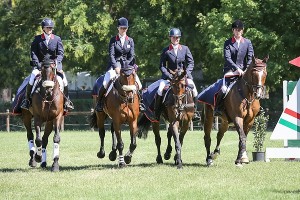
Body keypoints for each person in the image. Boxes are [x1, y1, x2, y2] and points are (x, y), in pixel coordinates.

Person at [21, 18, 74, 111]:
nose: (50, 29)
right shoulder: (37, 39)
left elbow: (61, 53)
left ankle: (67, 101)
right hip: (41, 65)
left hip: (54, 65)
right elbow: (33, 53)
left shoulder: (57, 39)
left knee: (64, 79)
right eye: (48, 27)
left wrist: (56, 62)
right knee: (32, 77)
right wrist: (37, 64)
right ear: (43, 28)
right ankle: (27, 100)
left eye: (51, 27)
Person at [95, 17, 145, 112]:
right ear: (118, 28)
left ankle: (141, 103)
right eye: (121, 28)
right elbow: (112, 55)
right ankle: (100, 103)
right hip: (115, 65)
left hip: (128, 66)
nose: (123, 30)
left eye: (125, 28)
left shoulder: (130, 40)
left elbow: (131, 55)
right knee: (105, 83)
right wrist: (116, 67)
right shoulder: (113, 40)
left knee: (139, 84)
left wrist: (128, 67)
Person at [154, 28, 199, 121]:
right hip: (170, 76)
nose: (176, 39)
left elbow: (191, 63)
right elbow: (162, 66)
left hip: (183, 76)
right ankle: (157, 112)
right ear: (170, 38)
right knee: (159, 89)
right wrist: (168, 75)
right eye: (174, 37)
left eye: (178, 37)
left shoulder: (185, 49)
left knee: (194, 90)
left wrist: (186, 73)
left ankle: (194, 112)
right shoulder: (166, 50)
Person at [214, 19, 254, 116]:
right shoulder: (228, 43)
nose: (238, 31)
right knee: (224, 89)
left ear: (242, 31)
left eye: (239, 30)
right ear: (233, 31)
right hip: (230, 71)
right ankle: (218, 108)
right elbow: (227, 58)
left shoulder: (248, 42)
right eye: (236, 30)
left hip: (244, 72)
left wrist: (246, 69)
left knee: (255, 87)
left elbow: (250, 57)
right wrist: (237, 69)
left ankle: (256, 108)